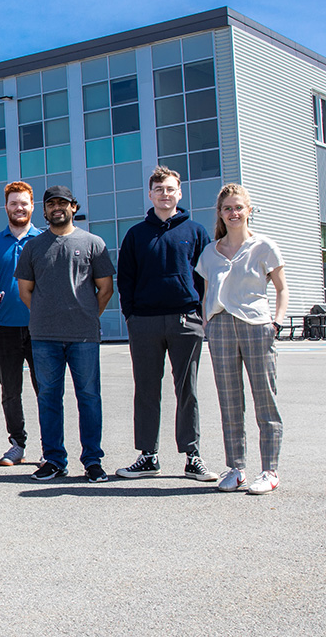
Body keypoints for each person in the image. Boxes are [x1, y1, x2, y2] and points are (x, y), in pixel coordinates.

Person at [116, 167, 215, 483]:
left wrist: (200, 313)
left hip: (185, 320)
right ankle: (148, 455)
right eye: (159, 189)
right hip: (144, 322)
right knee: (146, 389)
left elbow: (206, 277)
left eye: (170, 189)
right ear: (150, 194)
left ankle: (192, 456)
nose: (164, 194)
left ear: (179, 193)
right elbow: (126, 279)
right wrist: (131, 315)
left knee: (187, 390)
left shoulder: (195, 232)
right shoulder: (136, 234)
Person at [15, 186, 115, 483]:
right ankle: (54, 459)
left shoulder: (93, 242)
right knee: (48, 397)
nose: (57, 208)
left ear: (73, 207)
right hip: (44, 336)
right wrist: (49, 315)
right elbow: (25, 291)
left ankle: (93, 460)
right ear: (43, 210)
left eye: (62, 203)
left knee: (89, 397)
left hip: (83, 336)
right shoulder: (34, 246)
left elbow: (105, 288)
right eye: (50, 204)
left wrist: (84, 315)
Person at [196, 183, 287, 495]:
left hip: (257, 325)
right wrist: (208, 321)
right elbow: (207, 292)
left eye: (238, 207)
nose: (233, 213)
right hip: (220, 327)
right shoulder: (210, 251)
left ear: (249, 210)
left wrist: (276, 321)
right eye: (227, 209)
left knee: (265, 398)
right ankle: (236, 468)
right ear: (220, 214)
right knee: (230, 400)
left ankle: (270, 470)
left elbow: (281, 288)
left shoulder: (264, 247)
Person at [0, 181, 42, 466]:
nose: (19, 208)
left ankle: (51, 447)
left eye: (24, 203)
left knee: (45, 388)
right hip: (5, 328)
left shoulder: (44, 240)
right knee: (10, 390)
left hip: (41, 328)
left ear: (32, 206)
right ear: (5, 207)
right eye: (13, 203)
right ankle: (17, 443)